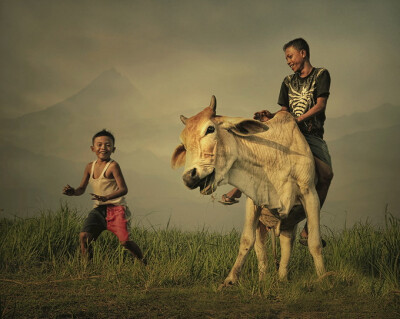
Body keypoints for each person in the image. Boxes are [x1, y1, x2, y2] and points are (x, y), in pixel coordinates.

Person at [220, 38, 333, 246]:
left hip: (311, 134)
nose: (288, 61)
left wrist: (298, 120)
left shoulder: (321, 75)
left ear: (303, 53)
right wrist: (270, 115)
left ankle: (309, 228)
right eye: (286, 58)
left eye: (290, 56)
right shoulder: (288, 81)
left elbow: (320, 105)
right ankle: (237, 189)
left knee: (326, 175)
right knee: (260, 153)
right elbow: (284, 112)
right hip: (288, 131)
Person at [63, 129, 146, 263]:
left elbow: (123, 189)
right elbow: (81, 189)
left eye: (108, 145)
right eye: (99, 145)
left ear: (113, 149)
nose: (103, 148)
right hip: (99, 209)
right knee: (84, 236)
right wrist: (73, 192)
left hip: (117, 209)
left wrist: (106, 197)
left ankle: (144, 263)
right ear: (92, 148)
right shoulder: (90, 167)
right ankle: (87, 269)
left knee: (125, 242)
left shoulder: (113, 166)